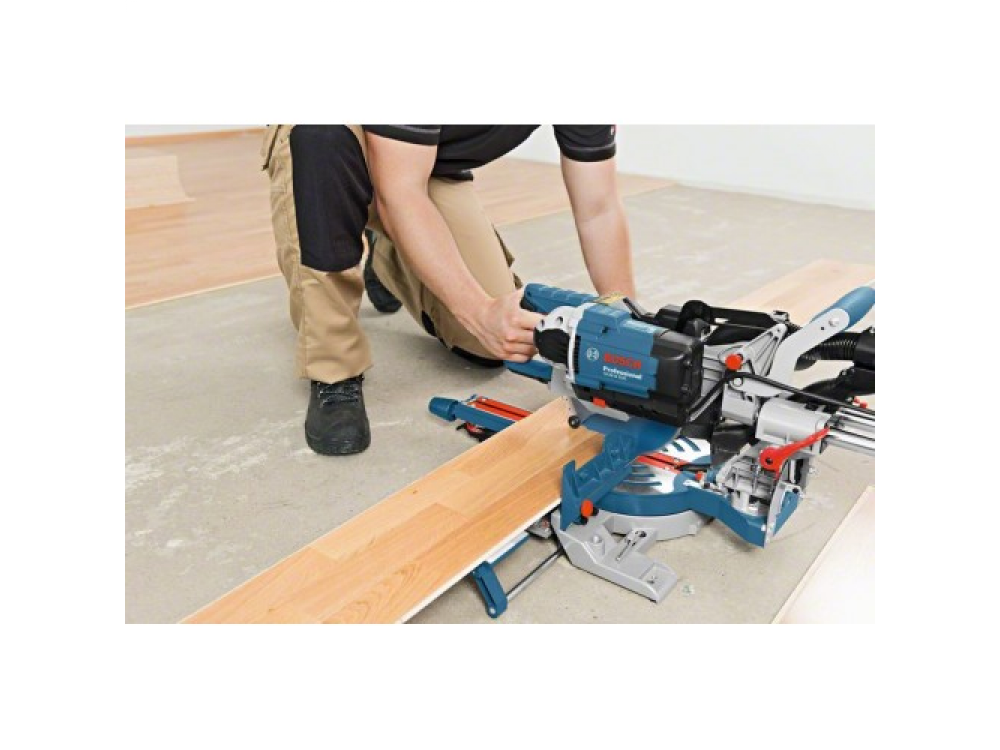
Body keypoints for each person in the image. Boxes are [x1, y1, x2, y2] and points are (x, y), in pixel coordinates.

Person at [261, 125, 635, 456]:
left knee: (487, 346)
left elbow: (598, 208)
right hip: (332, 144)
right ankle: (334, 370)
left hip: (425, 164)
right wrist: (478, 312)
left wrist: (627, 322)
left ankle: (389, 252)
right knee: (320, 137)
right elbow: (400, 194)